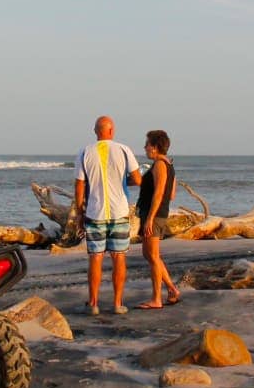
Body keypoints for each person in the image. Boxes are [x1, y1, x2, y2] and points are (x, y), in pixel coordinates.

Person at [72, 115, 141, 316]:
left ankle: (93, 303)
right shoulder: (124, 150)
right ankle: (118, 303)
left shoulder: (84, 152)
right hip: (119, 211)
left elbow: (79, 184)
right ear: (112, 131)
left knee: (96, 258)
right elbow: (137, 179)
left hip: (95, 212)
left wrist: (79, 212)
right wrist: (121, 181)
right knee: (119, 257)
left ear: (95, 131)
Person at [135, 129, 182, 310]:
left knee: (153, 256)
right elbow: (172, 194)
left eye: (147, 144)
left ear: (155, 147)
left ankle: (156, 298)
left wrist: (150, 219)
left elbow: (160, 193)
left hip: (154, 215)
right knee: (149, 255)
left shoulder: (160, 165)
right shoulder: (167, 165)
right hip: (154, 214)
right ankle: (171, 289)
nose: (145, 148)